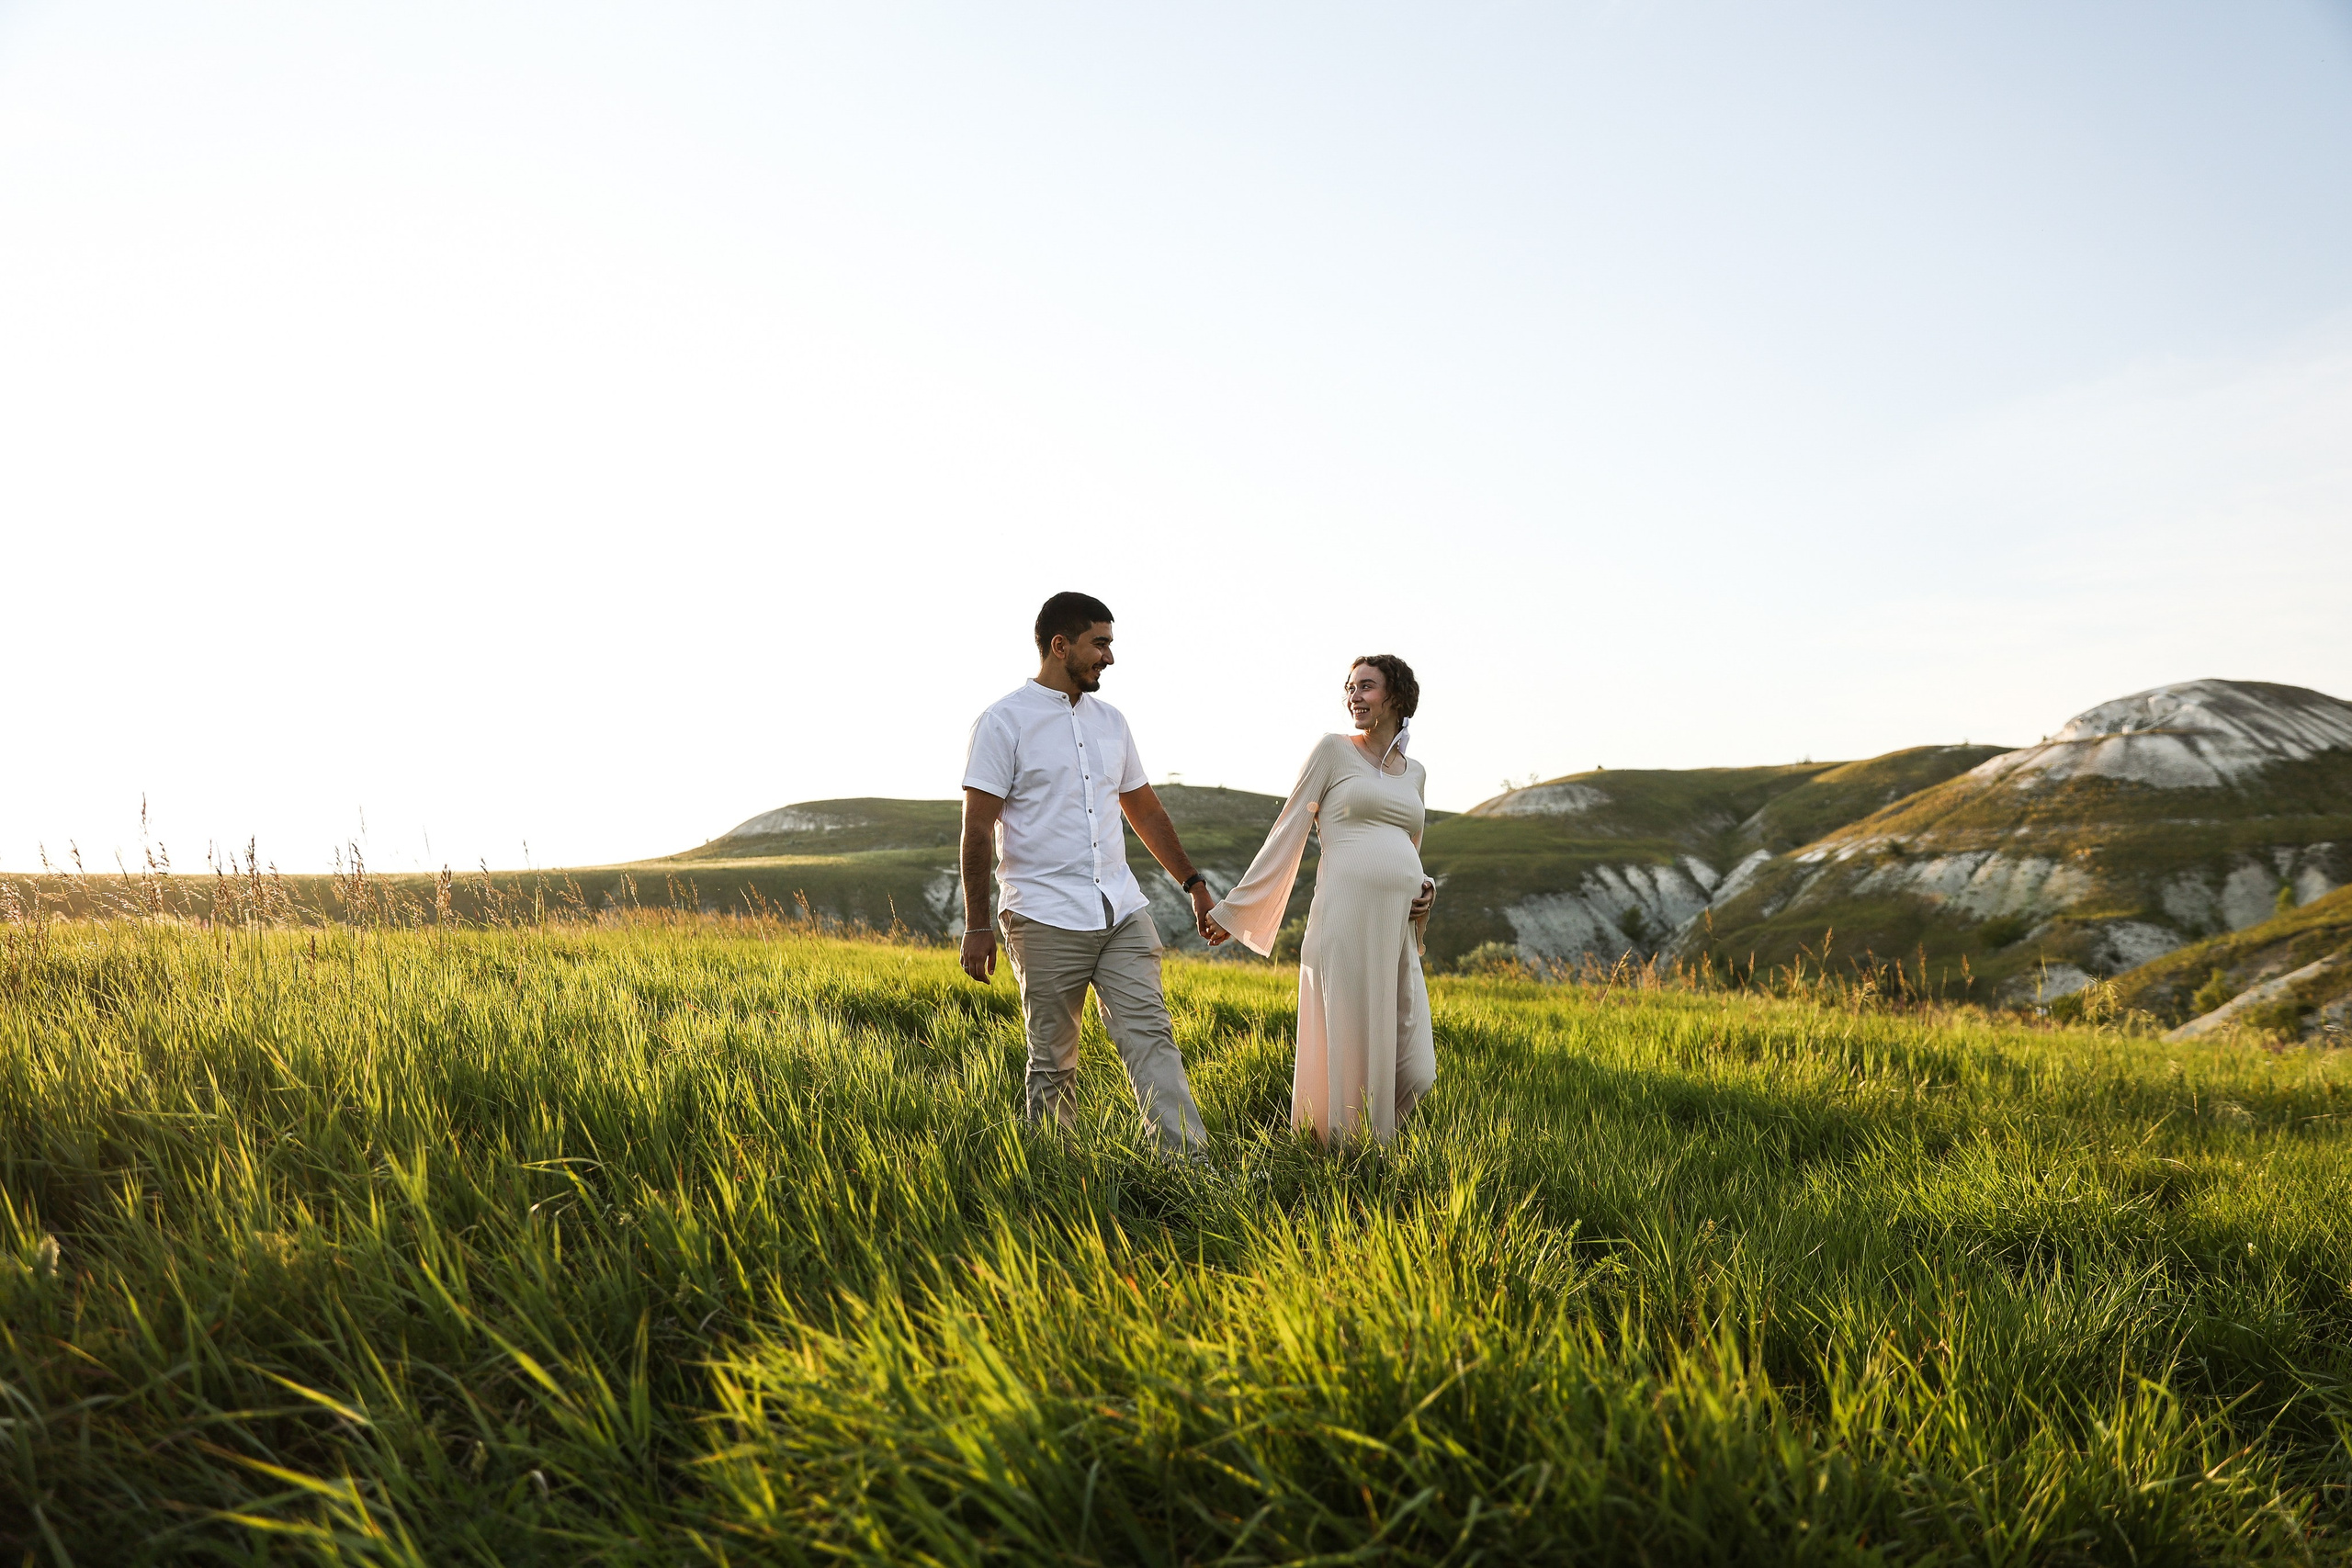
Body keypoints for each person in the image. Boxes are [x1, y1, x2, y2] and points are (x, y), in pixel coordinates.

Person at [958, 592, 1217, 1156]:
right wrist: (977, 925)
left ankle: (1189, 1170)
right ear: (1060, 645)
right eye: (1099, 644)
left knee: (1152, 1038)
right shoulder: (1003, 722)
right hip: (1043, 914)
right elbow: (977, 828)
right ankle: (1059, 1179)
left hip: (1120, 909)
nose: (1110, 657)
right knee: (1053, 1060)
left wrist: (1194, 885)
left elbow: (1144, 810)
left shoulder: (1112, 722)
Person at [1201, 656, 1437, 1141]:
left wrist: (1425, 888)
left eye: (1366, 687)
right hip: (1342, 924)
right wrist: (1235, 909)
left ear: (1396, 696)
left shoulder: (1415, 773)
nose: (1353, 696)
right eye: (1350, 688)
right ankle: (1348, 1160)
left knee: (1416, 1068)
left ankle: (1368, 1146)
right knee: (1349, 1055)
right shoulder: (1333, 750)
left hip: (1393, 929)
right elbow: (1288, 827)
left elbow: (1408, 849)